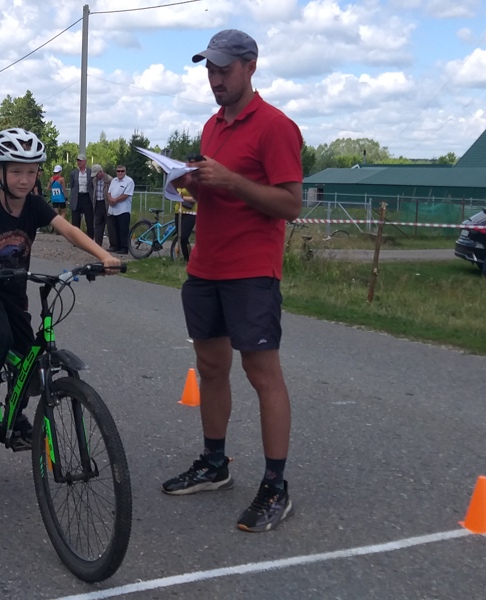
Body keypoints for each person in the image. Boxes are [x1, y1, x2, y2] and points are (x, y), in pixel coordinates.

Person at [160, 29, 303, 534]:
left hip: (251, 272)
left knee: (263, 375)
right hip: (205, 266)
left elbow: (290, 204)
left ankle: (276, 486)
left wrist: (232, 182)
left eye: (223, 70)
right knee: (210, 367)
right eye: (209, 71)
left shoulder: (276, 127)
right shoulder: (212, 126)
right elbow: (215, 189)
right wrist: (192, 183)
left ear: (250, 66)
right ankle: (215, 464)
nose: (215, 80)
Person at [0, 128, 121, 444]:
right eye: (16, 171)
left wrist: (104, 255)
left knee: (28, 354)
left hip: (14, 291)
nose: (24, 179)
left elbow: (68, 231)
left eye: (31, 172)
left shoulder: (35, 205)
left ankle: (14, 412)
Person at [106, 165, 134, 255]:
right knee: (114, 229)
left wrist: (115, 200)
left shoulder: (129, 181)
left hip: (123, 209)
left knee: (123, 229)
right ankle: (115, 246)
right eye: (118, 171)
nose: (120, 173)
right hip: (113, 209)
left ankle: (124, 247)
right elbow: (109, 192)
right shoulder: (114, 180)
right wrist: (110, 199)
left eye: (122, 171)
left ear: (125, 172)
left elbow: (126, 195)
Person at [69, 154, 94, 237]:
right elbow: (72, 185)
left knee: (89, 219)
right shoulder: (73, 173)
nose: (78, 162)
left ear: (85, 162)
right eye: (77, 161)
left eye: (80, 160)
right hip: (77, 196)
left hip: (87, 197)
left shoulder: (90, 172)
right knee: (75, 219)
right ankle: (76, 238)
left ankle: (90, 238)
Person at [90, 164, 112, 248]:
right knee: (97, 225)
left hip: (106, 203)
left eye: (96, 174)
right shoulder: (94, 180)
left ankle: (113, 244)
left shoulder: (109, 179)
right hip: (97, 203)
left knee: (110, 225)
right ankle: (97, 244)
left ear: (101, 172)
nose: (96, 176)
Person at [173, 187, 197, 262]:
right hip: (178, 211)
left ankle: (189, 259)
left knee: (184, 236)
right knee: (180, 237)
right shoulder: (178, 183)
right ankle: (185, 259)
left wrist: (182, 197)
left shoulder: (193, 183)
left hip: (190, 213)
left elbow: (195, 198)